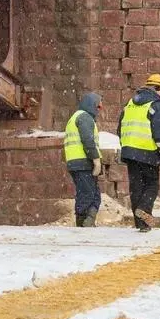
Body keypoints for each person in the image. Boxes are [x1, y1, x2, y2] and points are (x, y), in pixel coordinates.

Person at [118, 73, 160, 232]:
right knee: (151, 185)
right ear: (158, 88)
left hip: (130, 152)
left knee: (136, 187)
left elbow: (120, 129)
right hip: (148, 153)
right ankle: (143, 209)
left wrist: (127, 147)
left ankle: (141, 224)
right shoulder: (157, 106)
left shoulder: (130, 104)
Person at [64, 92, 103, 227]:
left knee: (93, 194)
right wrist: (96, 159)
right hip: (83, 162)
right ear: (92, 105)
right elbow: (88, 140)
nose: (99, 110)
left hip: (75, 162)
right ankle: (83, 224)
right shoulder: (84, 117)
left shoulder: (76, 117)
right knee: (88, 194)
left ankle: (88, 221)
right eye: (98, 106)